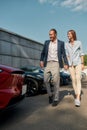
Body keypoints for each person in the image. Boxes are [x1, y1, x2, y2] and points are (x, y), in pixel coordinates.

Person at [40, 29, 68, 107]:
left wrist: (66, 63)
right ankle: (50, 95)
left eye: (51, 34)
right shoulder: (46, 42)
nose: (50, 36)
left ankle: (55, 99)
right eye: (49, 34)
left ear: (55, 34)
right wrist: (41, 60)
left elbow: (64, 54)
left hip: (56, 63)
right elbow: (43, 53)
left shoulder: (61, 43)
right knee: (45, 80)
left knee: (56, 81)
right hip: (47, 63)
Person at [65, 29, 84, 107]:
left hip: (78, 63)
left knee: (78, 78)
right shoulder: (66, 44)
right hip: (70, 64)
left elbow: (81, 53)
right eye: (67, 34)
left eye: (69, 34)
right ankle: (76, 93)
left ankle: (78, 97)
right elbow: (67, 55)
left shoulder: (78, 43)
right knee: (73, 79)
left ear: (73, 34)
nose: (68, 35)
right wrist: (66, 63)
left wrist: (82, 63)